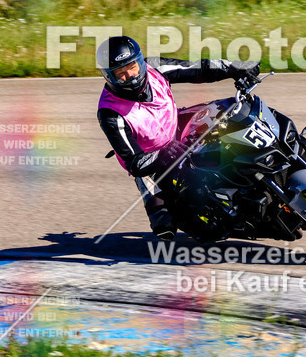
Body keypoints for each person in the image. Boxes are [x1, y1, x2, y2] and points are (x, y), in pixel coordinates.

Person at [95, 36, 259, 240]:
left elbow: (199, 68)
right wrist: (162, 155)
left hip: (177, 123)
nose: (131, 76)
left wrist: (237, 68)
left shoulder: (155, 67)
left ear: (139, 61)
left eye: (132, 67)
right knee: (164, 226)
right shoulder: (110, 113)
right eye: (121, 73)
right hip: (151, 159)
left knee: (230, 111)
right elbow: (134, 163)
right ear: (109, 76)